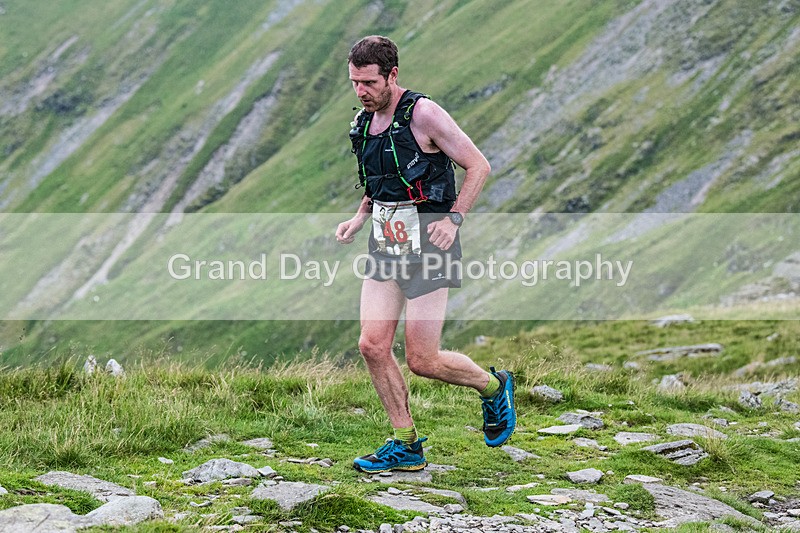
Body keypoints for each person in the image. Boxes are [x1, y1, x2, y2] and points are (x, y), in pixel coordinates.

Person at [335, 35, 516, 473]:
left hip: (432, 245)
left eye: (369, 82)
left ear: (392, 75)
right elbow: (379, 181)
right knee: (372, 345)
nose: (361, 91)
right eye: (355, 82)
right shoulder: (362, 122)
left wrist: (454, 219)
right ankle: (406, 444)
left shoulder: (424, 114)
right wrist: (359, 217)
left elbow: (479, 165)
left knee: (423, 360)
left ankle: (493, 387)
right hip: (386, 243)